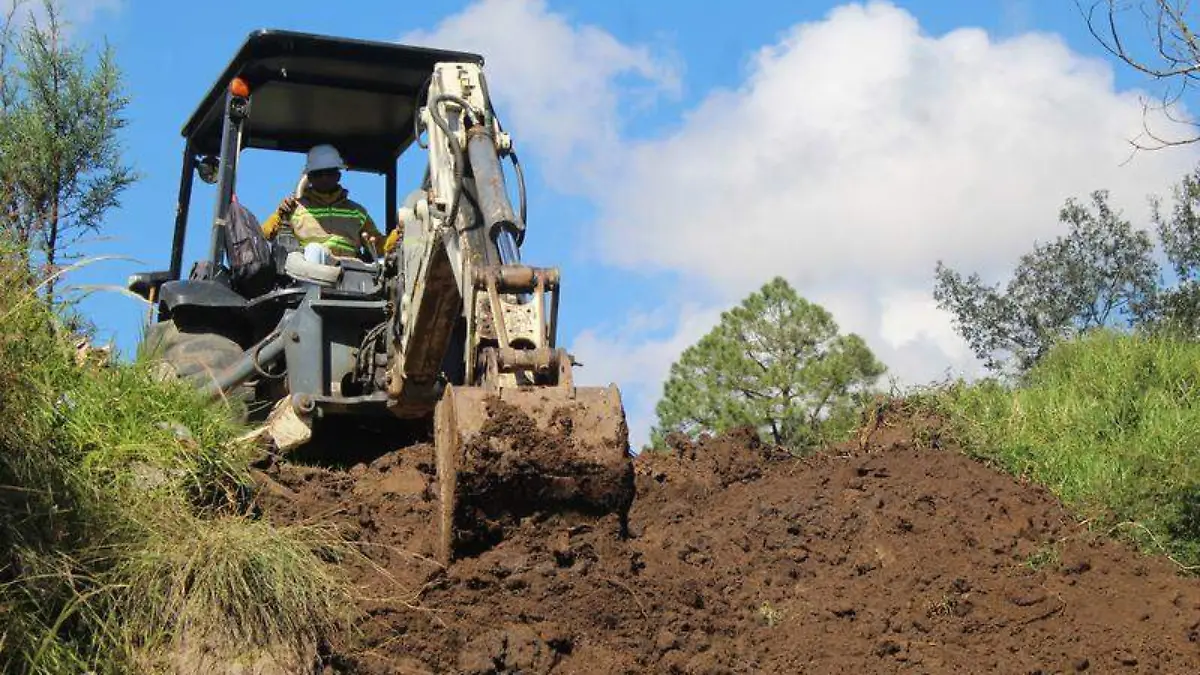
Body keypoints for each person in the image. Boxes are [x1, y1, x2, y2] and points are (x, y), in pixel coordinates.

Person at [261, 144, 399, 263]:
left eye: (329, 173)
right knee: (314, 250)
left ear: (338, 176)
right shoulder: (294, 209)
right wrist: (280, 215)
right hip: (307, 276)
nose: (324, 178)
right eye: (319, 174)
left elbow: (379, 246)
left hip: (351, 277)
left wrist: (399, 234)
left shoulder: (357, 212)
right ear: (309, 177)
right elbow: (266, 234)